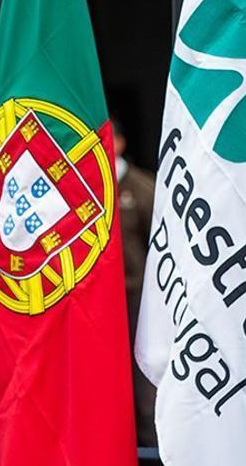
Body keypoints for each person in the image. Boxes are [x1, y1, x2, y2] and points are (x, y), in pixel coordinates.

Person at [114, 119, 158, 447]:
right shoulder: (84, 185)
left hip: (135, 296)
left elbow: (159, 241)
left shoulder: (140, 187)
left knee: (143, 381)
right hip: (99, 301)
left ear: (120, 142)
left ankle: (150, 445)